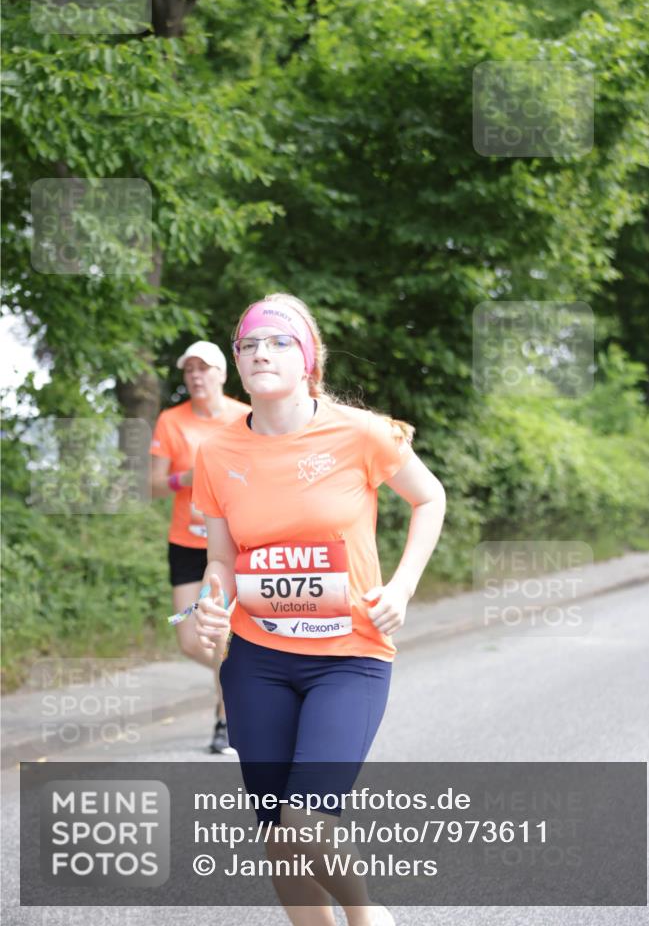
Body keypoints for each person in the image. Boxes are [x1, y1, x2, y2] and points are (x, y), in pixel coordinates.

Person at [193, 295, 446, 926]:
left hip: (349, 656)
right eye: (250, 345)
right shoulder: (216, 453)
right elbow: (221, 559)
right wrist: (209, 602)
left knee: (305, 821)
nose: (261, 353)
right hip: (257, 660)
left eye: (278, 342)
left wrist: (402, 587)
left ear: (309, 360)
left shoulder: (360, 433)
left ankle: (366, 916)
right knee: (278, 835)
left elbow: (429, 498)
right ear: (237, 362)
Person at [150, 340, 249, 754]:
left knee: (219, 632)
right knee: (191, 639)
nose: (195, 376)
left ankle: (226, 722)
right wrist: (185, 478)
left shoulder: (244, 416)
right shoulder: (171, 421)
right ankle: (245, 673)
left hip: (231, 542)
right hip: (187, 543)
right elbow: (153, 486)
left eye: (203, 368)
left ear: (222, 374)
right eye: (189, 369)